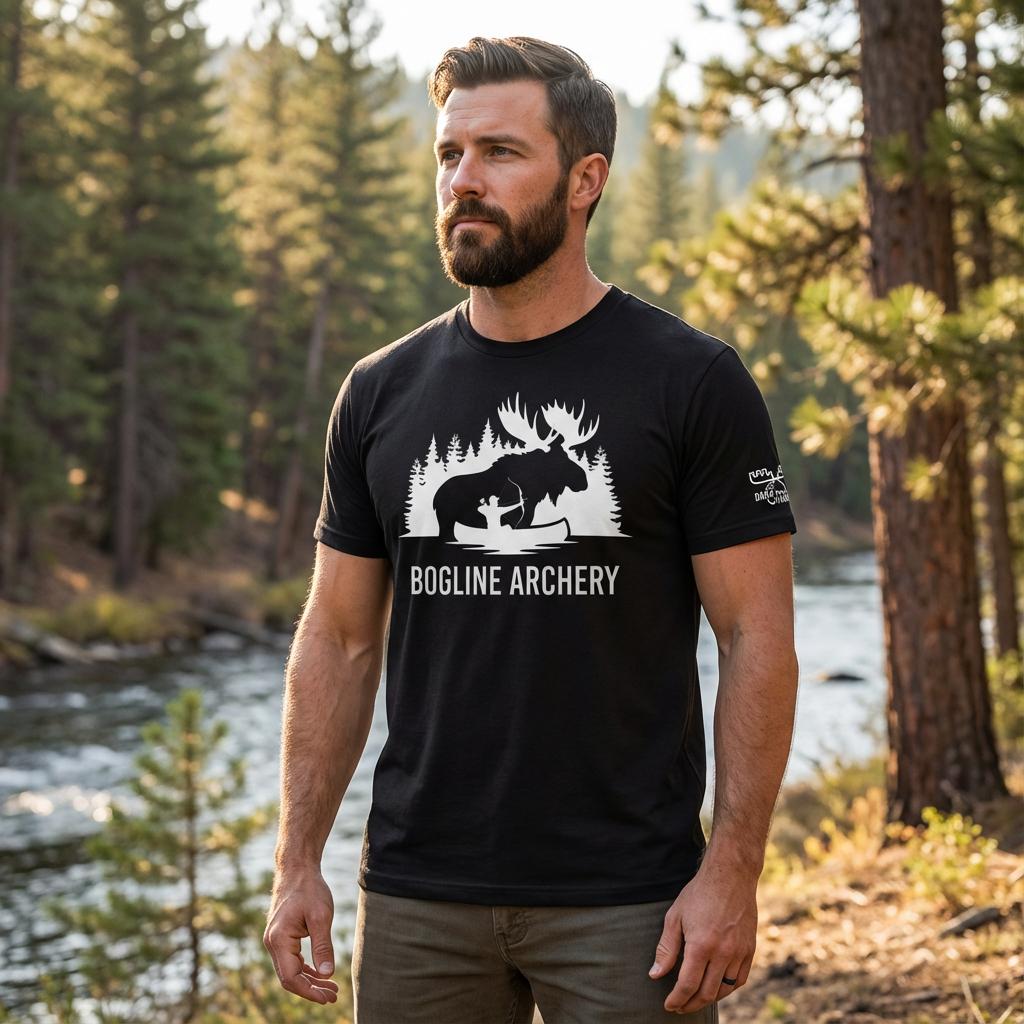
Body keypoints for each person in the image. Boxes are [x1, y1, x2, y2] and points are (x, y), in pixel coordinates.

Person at [263, 36, 799, 1024]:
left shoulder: (692, 381)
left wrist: (732, 870)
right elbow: (337, 639)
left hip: (630, 901)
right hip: (419, 893)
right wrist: (297, 861)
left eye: (500, 153)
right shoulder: (379, 392)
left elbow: (755, 636)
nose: (463, 180)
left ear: (585, 179)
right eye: (449, 154)